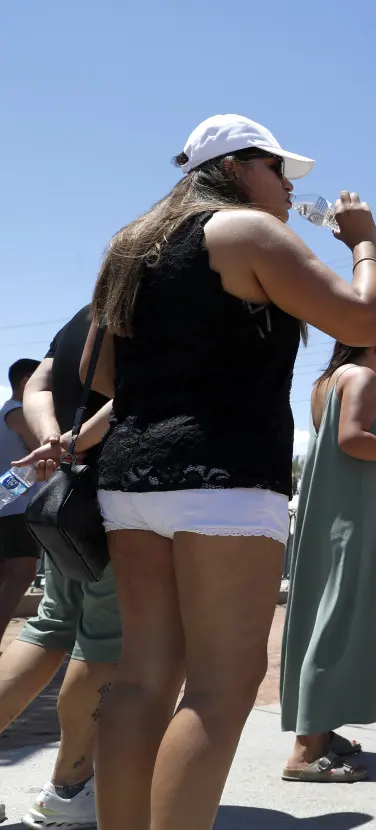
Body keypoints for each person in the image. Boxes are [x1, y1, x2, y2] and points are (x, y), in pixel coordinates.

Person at [83, 114, 376, 830]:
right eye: (277, 170)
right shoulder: (244, 232)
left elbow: (99, 372)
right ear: (236, 167)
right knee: (221, 686)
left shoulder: (131, 244)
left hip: (131, 479)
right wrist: (364, 241)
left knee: (141, 678)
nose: (285, 187)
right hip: (224, 478)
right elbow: (364, 324)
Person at [280, 326, 376, 781]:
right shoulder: (358, 379)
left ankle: (320, 732)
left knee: (324, 616)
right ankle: (305, 754)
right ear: (374, 342)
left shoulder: (327, 382)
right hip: (353, 520)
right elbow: (350, 439)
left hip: (332, 516)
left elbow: (334, 437)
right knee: (338, 621)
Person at [0, 307, 118, 829]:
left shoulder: (83, 317)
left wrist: (53, 440)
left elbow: (40, 382)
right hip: (118, 491)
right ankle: (69, 789)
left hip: (66, 497)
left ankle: (71, 788)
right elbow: (144, 391)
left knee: (49, 627)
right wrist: (78, 442)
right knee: (105, 640)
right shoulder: (155, 299)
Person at [0, 358, 42, 628]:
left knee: (7, 574)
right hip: (18, 509)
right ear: (27, 382)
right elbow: (48, 452)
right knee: (22, 572)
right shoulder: (19, 413)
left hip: (9, 506)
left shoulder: (6, 411)